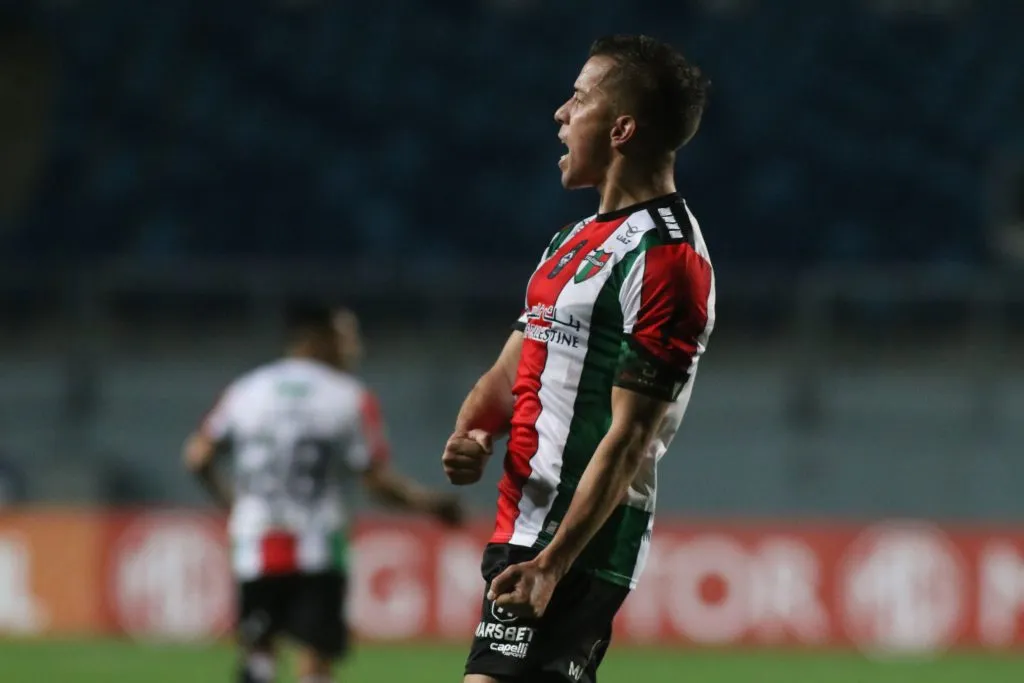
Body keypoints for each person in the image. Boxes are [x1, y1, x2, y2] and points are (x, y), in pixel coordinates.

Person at [441, 35, 714, 683]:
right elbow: (513, 367)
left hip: (575, 546)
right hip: (522, 526)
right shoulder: (571, 241)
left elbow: (631, 438)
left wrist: (553, 563)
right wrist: (476, 428)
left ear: (621, 128)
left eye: (579, 99)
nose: (560, 114)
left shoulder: (666, 259)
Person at [185, 302, 463, 683]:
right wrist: (431, 504)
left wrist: (232, 505)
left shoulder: (246, 391)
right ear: (318, 340)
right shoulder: (348, 397)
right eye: (346, 338)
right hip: (319, 543)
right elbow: (376, 481)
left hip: (257, 541)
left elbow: (198, 457)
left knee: (260, 653)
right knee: (316, 658)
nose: (355, 349)